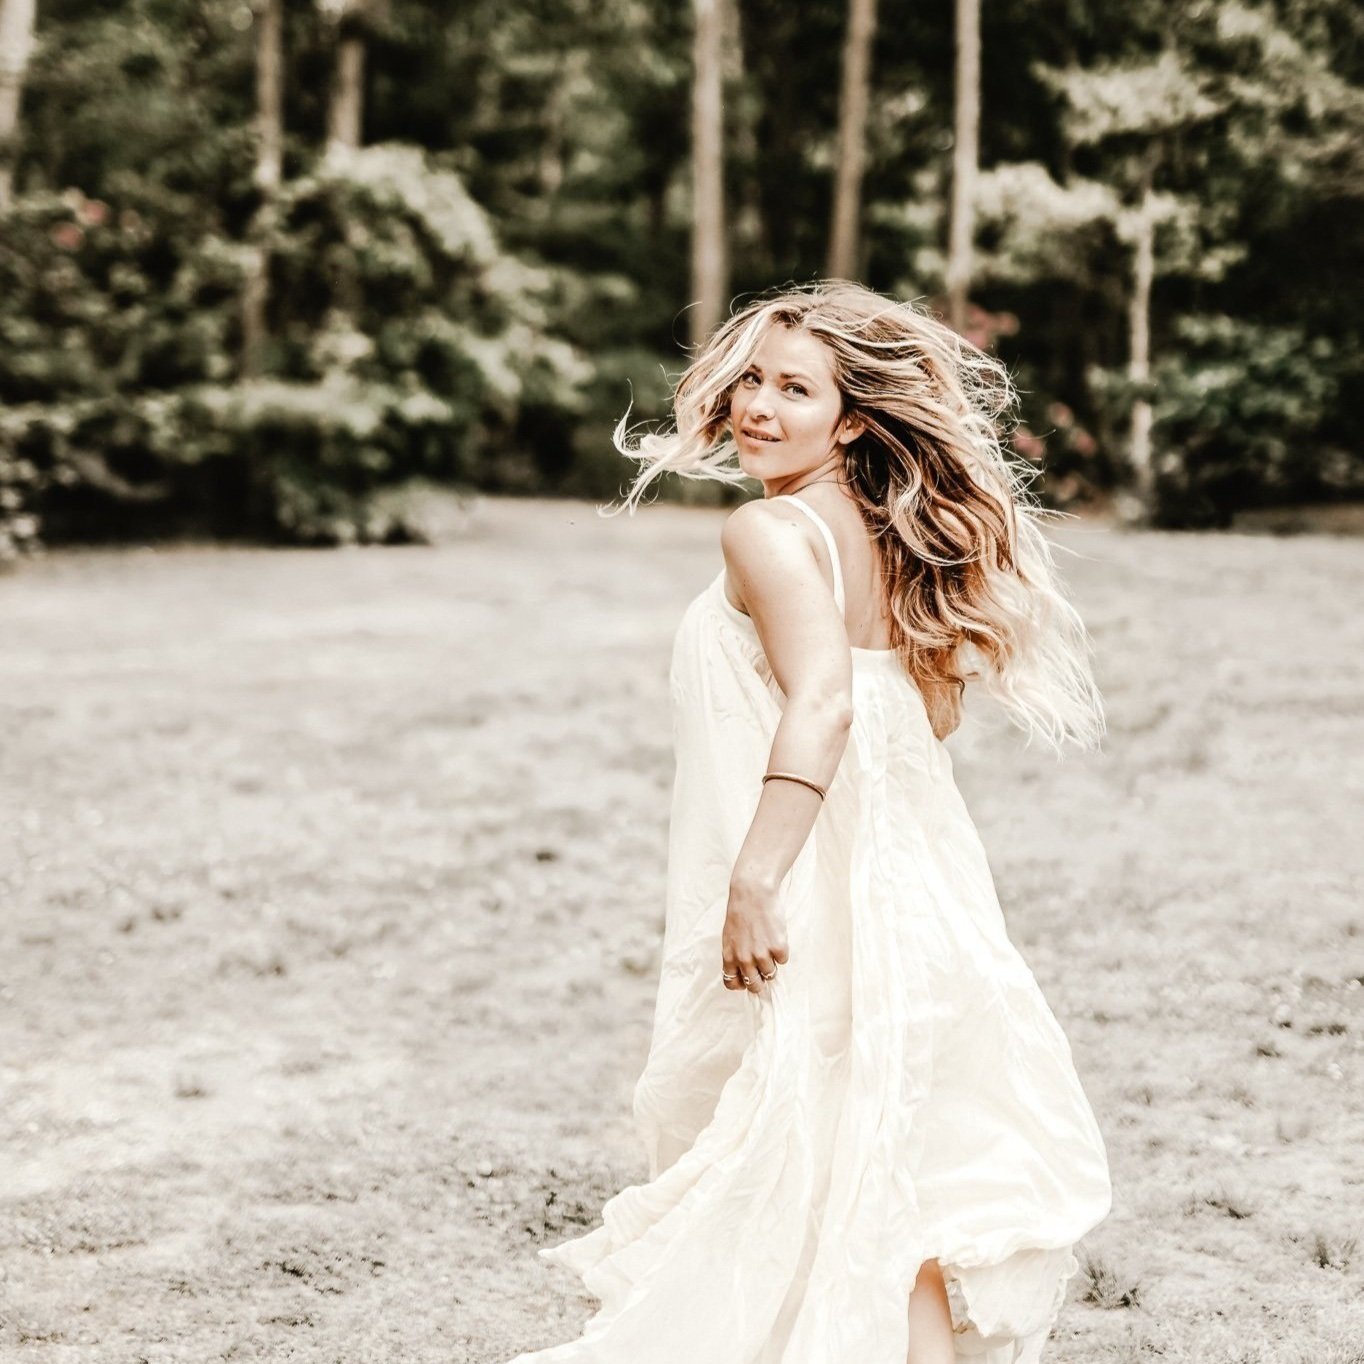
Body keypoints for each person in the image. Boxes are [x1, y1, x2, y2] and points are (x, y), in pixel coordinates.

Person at [505, 281, 1112, 1364]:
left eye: (795, 388)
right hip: (909, 879)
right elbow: (920, 708)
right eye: (750, 379)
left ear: (847, 420)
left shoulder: (768, 529)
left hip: (814, 884)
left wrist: (754, 877)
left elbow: (826, 698)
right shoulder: (883, 537)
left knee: (822, 1128)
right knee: (885, 1139)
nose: (756, 405)